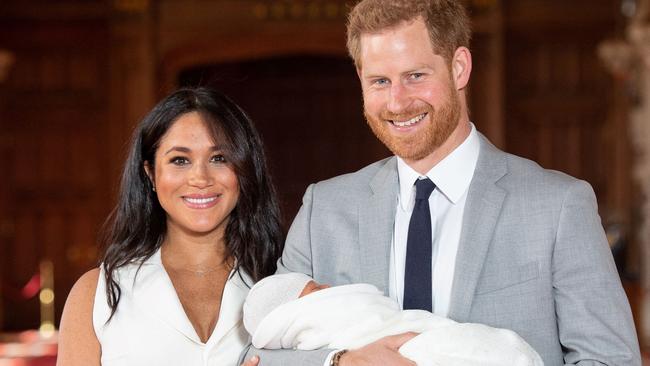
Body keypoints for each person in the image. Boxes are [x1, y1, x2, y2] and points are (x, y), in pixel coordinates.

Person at [243, 0, 642, 365]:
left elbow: (609, 359)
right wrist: (341, 362)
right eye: (379, 81)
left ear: (459, 67)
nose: (397, 102)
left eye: (415, 76)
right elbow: (258, 354)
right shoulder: (324, 210)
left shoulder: (558, 206)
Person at [57, 87, 283, 366]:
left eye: (219, 158)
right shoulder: (95, 294)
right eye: (180, 160)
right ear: (150, 174)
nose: (200, 177)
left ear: (245, 169)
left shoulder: (283, 283)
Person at [243, 273, 544, 366]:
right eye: (319, 290)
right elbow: (258, 358)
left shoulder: (562, 199)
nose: (329, 289)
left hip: (425, 336)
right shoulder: (320, 205)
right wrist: (340, 361)